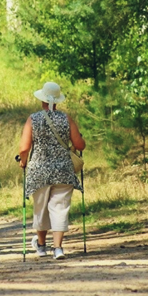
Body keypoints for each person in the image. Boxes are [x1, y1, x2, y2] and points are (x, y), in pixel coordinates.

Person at [17, 81, 86, 260]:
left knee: (40, 208)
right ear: (57, 101)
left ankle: (41, 246)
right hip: (63, 170)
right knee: (60, 209)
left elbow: (24, 148)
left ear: (42, 100)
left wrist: (23, 161)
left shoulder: (33, 119)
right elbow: (79, 145)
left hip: (39, 171)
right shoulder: (66, 119)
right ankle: (58, 248)